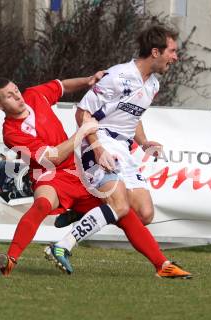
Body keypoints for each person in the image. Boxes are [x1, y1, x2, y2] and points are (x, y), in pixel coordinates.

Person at [0, 72, 191, 279]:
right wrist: (83, 132)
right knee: (41, 205)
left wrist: (87, 80)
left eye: (16, 90)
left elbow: (61, 86)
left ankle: (162, 265)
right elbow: (53, 158)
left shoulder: (33, 95)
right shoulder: (11, 133)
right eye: (9, 96)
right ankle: (10, 261)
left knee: (123, 212)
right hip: (47, 174)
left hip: (77, 172)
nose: (17, 96)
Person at [51, 24, 182, 275]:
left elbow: (134, 116)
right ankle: (62, 246)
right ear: (155, 52)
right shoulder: (118, 76)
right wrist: (98, 148)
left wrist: (143, 142)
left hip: (123, 146)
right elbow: (82, 113)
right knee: (120, 205)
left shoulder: (153, 84)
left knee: (144, 213)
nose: (175, 57)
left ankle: (83, 210)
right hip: (96, 141)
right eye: (172, 51)